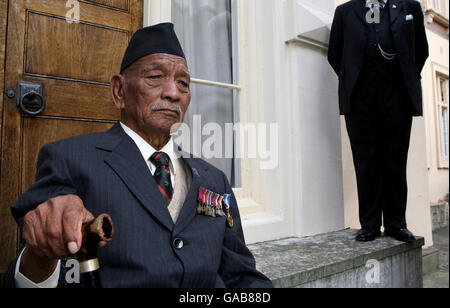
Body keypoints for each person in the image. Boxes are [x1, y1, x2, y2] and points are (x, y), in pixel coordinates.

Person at [2, 23, 273, 288]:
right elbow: (36, 268)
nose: (173, 93)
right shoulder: (69, 159)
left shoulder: (214, 179)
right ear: (119, 91)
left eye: (183, 83)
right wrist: (40, 254)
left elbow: (242, 276)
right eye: (155, 78)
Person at [328, 0, 429, 242]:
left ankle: (396, 224)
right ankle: (370, 224)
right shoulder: (345, 12)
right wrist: (354, 78)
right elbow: (335, 54)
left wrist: (403, 77)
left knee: (395, 161)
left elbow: (420, 51)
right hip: (360, 101)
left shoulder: (409, 8)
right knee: (366, 162)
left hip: (397, 98)